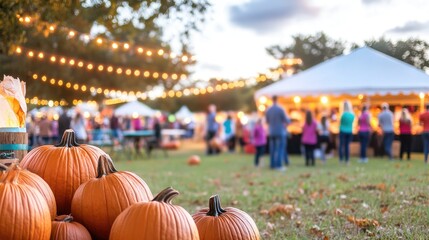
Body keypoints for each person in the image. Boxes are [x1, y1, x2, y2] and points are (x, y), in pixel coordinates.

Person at [265, 95, 290, 171]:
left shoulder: (268, 110)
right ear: (277, 99)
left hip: (271, 131)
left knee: (272, 148)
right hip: (280, 131)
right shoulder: (280, 109)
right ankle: (278, 165)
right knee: (280, 148)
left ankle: (272, 164)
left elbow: (267, 121)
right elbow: (287, 121)